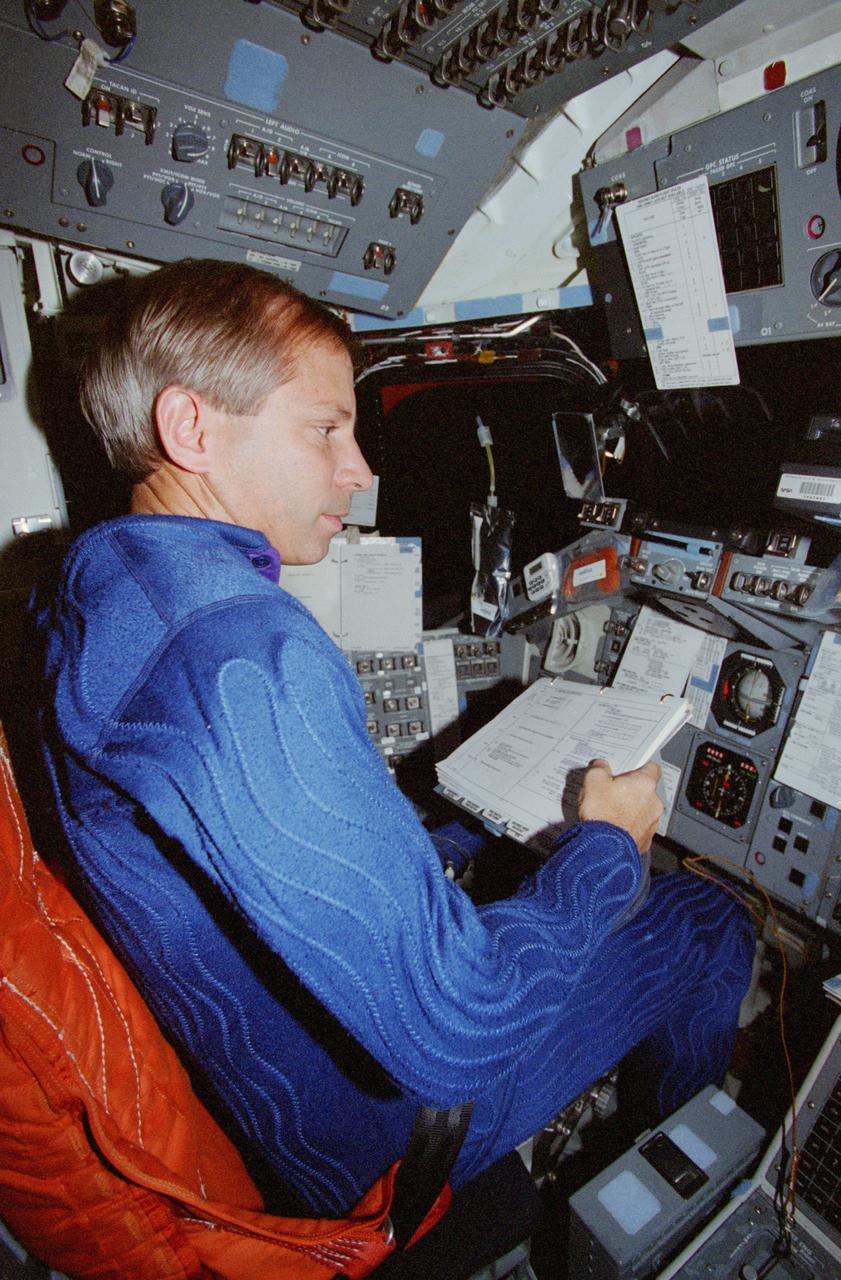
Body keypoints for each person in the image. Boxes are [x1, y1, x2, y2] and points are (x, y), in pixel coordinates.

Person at [33, 258, 754, 1219]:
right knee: (710, 922)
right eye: (326, 429)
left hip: (282, 1105)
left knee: (488, 852)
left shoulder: (92, 595)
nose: (359, 469)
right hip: (379, 1137)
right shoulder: (236, 656)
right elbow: (462, 1024)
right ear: (191, 428)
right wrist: (609, 850)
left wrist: (458, 835)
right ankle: (692, 1202)